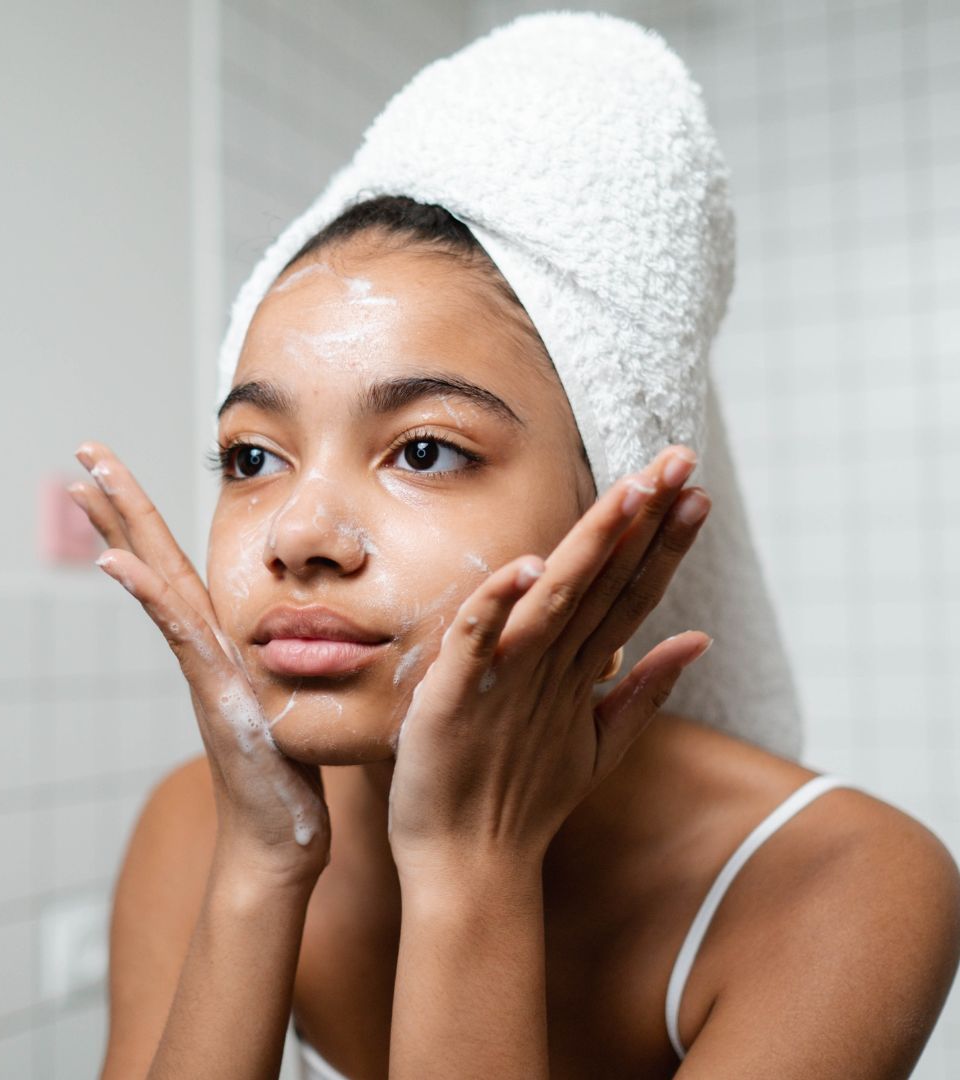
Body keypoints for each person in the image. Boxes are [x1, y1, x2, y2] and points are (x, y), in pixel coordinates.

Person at [72, 15, 960, 1080]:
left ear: (618, 515)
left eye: (426, 450)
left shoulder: (841, 886)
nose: (301, 536)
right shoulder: (204, 829)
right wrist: (261, 869)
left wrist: (469, 871)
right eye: (253, 459)